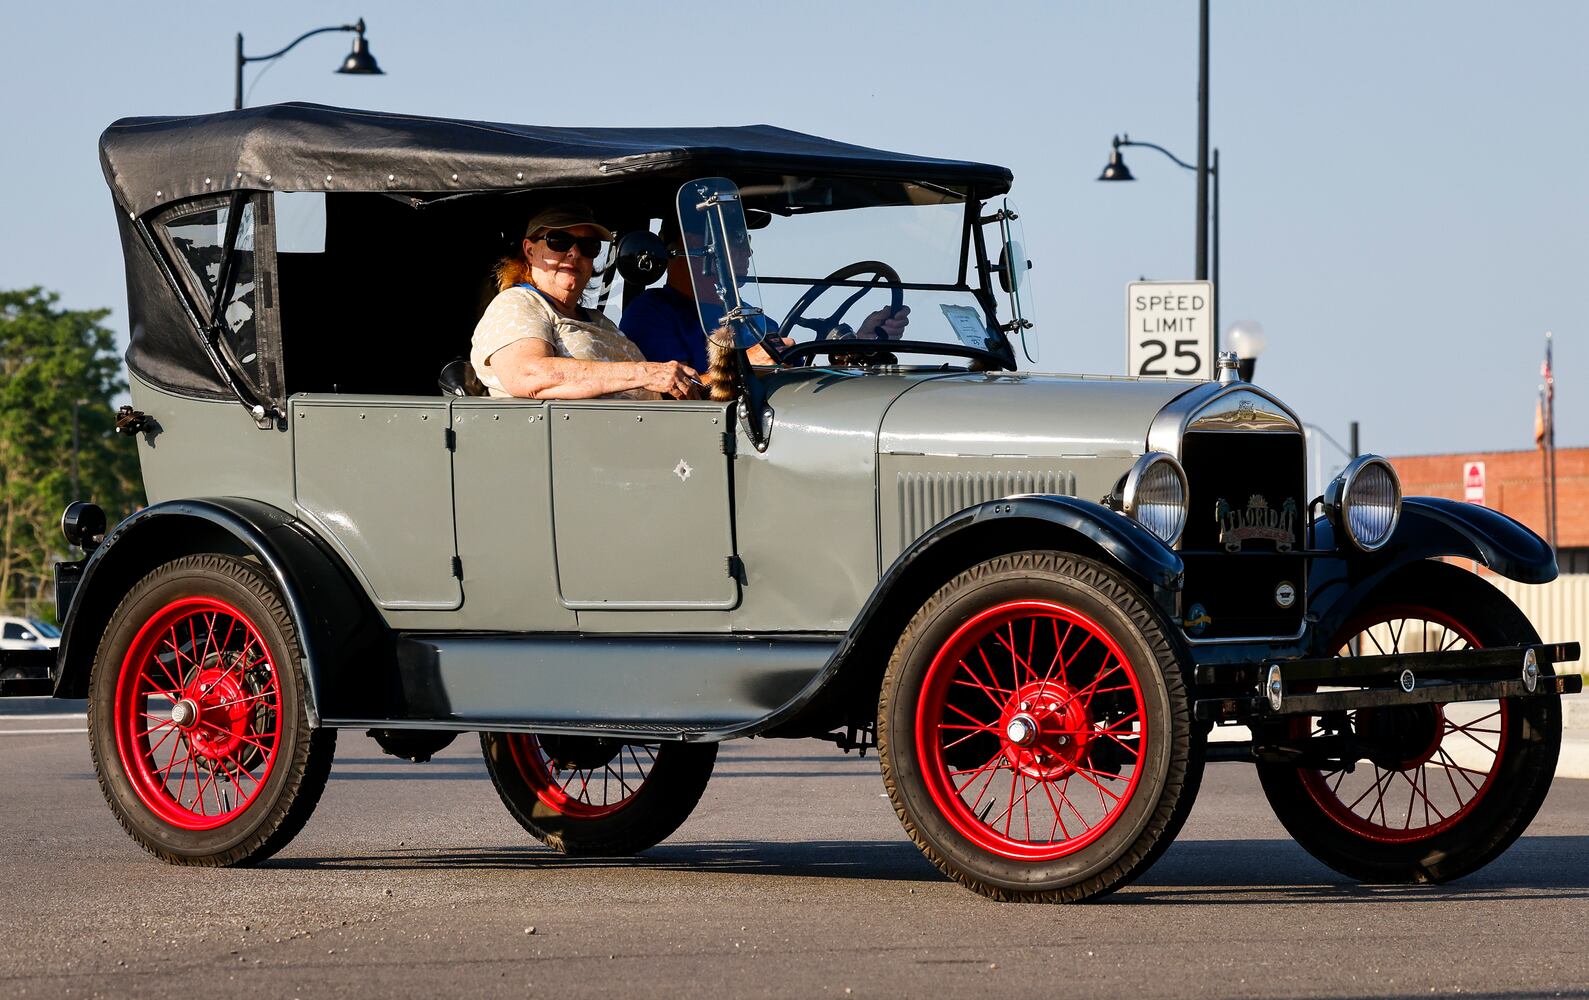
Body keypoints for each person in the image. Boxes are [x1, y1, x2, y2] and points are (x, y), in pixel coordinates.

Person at [472, 205, 701, 400]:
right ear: (529, 250)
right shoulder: (517, 304)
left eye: (588, 245)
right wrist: (644, 372)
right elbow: (528, 375)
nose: (574, 252)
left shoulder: (599, 320)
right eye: (559, 241)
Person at [620, 218, 909, 370]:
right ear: (692, 245)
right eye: (738, 240)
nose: (748, 251)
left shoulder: (751, 319)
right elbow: (678, 396)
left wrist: (852, 348)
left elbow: (792, 377)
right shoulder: (650, 315)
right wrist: (745, 370)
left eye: (746, 240)